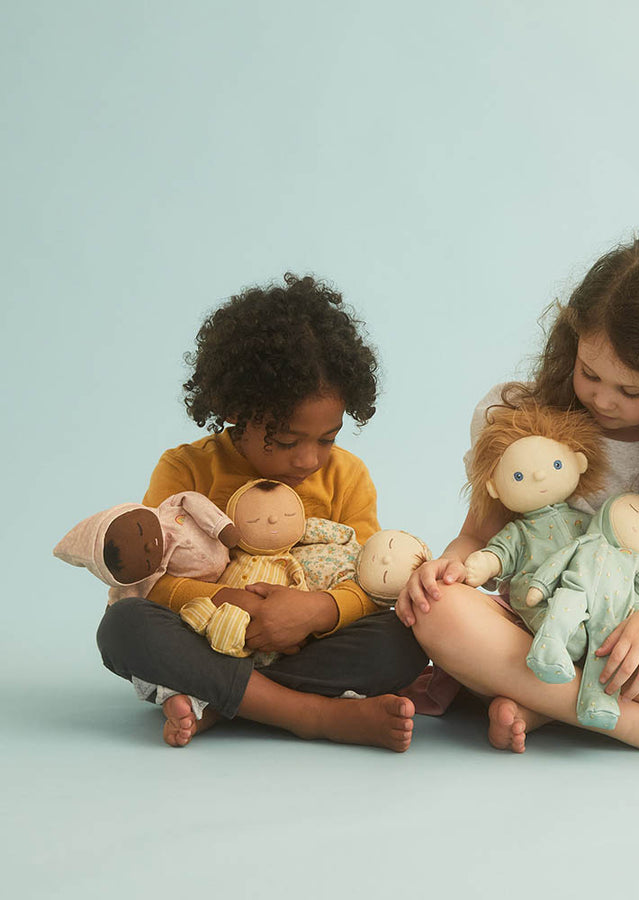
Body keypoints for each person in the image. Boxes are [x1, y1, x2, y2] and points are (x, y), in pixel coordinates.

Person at [397, 236, 639, 764]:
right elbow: (476, 537)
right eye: (589, 373)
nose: (603, 399)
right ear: (572, 340)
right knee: (436, 611)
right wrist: (448, 565)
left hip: (627, 638)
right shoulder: (519, 416)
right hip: (531, 624)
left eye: (630, 391)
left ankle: (544, 703)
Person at [96, 273, 427, 751]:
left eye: (328, 439)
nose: (309, 460)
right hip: (207, 638)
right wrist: (227, 602)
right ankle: (313, 715)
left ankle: (220, 699)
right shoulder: (186, 469)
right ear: (235, 410)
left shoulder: (347, 476)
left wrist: (318, 610)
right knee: (125, 624)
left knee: (408, 636)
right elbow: (151, 578)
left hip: (308, 643)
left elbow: (373, 582)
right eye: (287, 441)